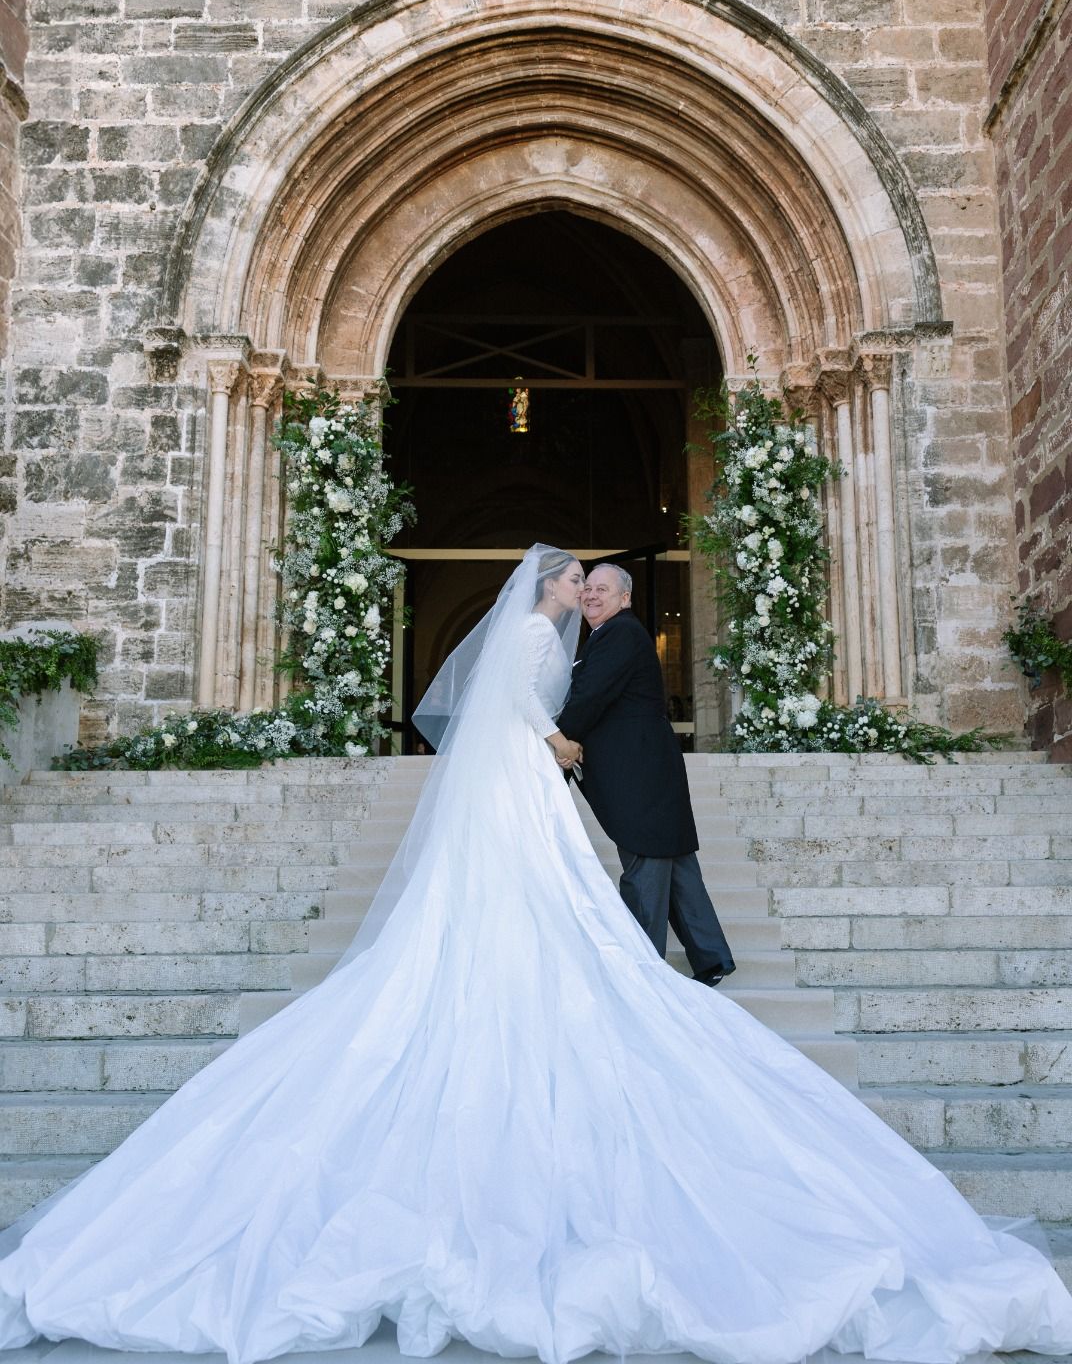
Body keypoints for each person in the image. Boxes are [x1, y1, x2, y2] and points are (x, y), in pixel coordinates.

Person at [0, 543, 1070, 1364]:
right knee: (540, 895)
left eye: (578, 578)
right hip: (520, 776)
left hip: (522, 781)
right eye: (564, 576)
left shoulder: (572, 639)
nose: (572, 585)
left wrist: (557, 742)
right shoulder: (535, 638)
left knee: (554, 891)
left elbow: (524, 708)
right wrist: (553, 741)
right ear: (547, 589)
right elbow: (510, 702)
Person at [556, 563, 736, 985]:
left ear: (625, 598)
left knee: (645, 868)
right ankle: (712, 958)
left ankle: (643, 966)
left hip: (638, 773)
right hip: (649, 768)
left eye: (604, 589)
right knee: (676, 867)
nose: (592, 595)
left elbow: (590, 696)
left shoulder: (619, 632)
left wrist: (559, 743)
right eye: (589, 588)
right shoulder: (613, 633)